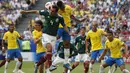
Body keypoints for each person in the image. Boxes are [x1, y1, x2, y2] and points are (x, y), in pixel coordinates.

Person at [20, 4, 70, 73]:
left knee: (48, 54)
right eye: (50, 9)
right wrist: (26, 12)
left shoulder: (60, 18)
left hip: (53, 37)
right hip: (46, 35)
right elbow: (35, 11)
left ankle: (38, 64)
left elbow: (64, 26)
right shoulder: (46, 13)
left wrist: (69, 32)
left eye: (52, 11)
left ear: (56, 12)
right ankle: (51, 66)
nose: (50, 11)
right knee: (49, 49)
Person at [56, 0, 86, 69]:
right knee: (57, 37)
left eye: (63, 7)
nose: (62, 9)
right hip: (60, 27)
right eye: (61, 8)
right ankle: (48, 52)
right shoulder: (57, 10)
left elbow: (72, 16)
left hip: (68, 28)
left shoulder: (68, 8)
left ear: (64, 5)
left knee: (67, 45)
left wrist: (79, 20)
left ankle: (66, 62)